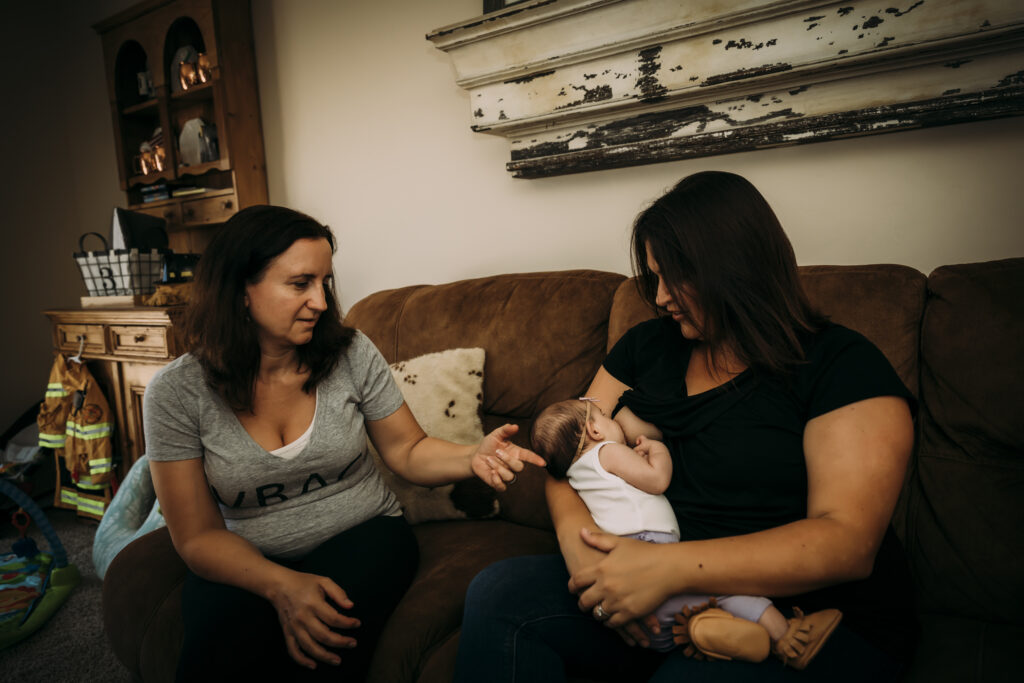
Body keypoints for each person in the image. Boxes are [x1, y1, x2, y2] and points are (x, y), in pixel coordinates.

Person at [454, 171, 917, 683]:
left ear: (736, 267)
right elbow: (568, 459)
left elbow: (846, 543)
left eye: (676, 277)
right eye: (653, 277)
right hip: (651, 582)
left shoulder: (841, 365)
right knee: (498, 594)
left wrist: (662, 572)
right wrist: (594, 569)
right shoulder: (645, 346)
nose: (661, 296)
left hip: (790, 618)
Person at [144, 205, 543, 681]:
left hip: (364, 534)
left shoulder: (350, 352)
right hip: (246, 554)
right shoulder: (175, 391)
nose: (320, 301)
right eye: (300, 283)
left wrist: (471, 455)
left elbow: (407, 451)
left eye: (324, 282)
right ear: (240, 290)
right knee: (215, 652)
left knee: (326, 642)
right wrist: (282, 586)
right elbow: (197, 536)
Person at [532, 397, 841, 667]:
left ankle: (703, 628)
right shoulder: (609, 451)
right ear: (595, 431)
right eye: (604, 417)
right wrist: (658, 450)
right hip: (647, 543)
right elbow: (656, 481)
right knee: (724, 587)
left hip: (618, 561)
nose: (613, 423)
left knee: (686, 603)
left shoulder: (575, 474)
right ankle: (786, 636)